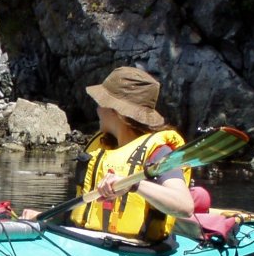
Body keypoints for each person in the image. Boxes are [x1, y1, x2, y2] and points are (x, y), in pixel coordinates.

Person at [22, 66, 194, 243]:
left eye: (100, 103)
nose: (97, 110)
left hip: (138, 248)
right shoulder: (103, 148)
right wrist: (47, 217)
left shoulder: (159, 152)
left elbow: (184, 206)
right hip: (90, 242)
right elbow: (85, 210)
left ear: (116, 111)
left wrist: (133, 184)